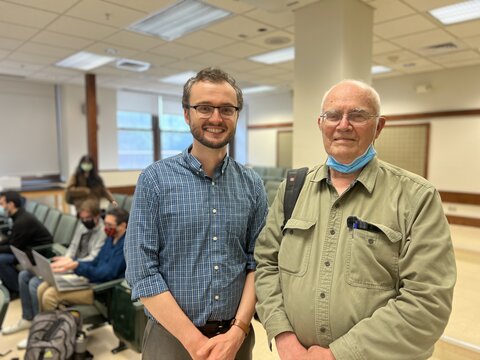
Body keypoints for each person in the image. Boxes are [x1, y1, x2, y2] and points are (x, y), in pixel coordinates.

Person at [254, 79, 456, 360]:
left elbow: (427, 302)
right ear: (320, 124)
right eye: (333, 116)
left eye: (358, 115)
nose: (343, 125)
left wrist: (337, 355)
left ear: (379, 127)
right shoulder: (293, 189)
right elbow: (266, 265)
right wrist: (283, 336)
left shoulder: (416, 197)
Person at [125, 67, 268, 360]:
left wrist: (237, 332)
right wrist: (195, 343)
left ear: (237, 115)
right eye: (204, 107)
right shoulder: (154, 180)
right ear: (187, 114)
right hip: (171, 338)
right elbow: (143, 272)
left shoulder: (252, 184)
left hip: (235, 338)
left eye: (226, 109)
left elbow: (259, 263)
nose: (216, 118)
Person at [1, 198, 106, 338]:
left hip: (81, 271)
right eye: (82, 218)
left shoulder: (104, 232)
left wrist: (70, 263)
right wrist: (65, 259)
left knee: (34, 283)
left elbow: (93, 258)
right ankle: (28, 318)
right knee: (24, 275)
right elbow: (73, 247)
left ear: (97, 215)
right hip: (70, 265)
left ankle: (40, 327)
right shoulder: (82, 226)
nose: (85, 221)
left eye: (88, 218)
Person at [38, 207, 128, 311]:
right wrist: (75, 264)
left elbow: (106, 274)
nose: (106, 227)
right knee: (42, 287)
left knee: (50, 295)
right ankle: (43, 323)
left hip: (101, 289)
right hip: (91, 280)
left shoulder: (125, 247)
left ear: (123, 225)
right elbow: (95, 261)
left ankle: (53, 326)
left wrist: (78, 266)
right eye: (106, 223)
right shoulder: (111, 238)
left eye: (110, 225)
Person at [0, 191, 52, 299]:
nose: (2, 207)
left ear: (11, 204)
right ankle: (10, 287)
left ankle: (16, 289)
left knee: (2, 259)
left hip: (37, 252)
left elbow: (13, 247)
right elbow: (12, 239)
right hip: (25, 249)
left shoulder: (23, 221)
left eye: (2, 204)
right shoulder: (18, 217)